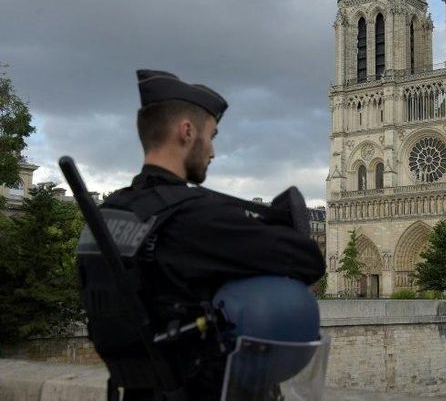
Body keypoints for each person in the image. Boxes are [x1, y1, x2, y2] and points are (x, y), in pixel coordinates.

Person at [99, 69, 326, 400]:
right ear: (187, 132)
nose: (213, 152)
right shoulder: (194, 216)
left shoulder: (108, 213)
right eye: (212, 135)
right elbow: (307, 259)